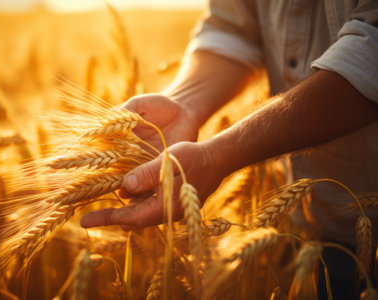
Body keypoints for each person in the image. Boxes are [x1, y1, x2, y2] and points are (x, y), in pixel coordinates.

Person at [81, 0, 378, 298]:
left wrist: (217, 155)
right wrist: (184, 104)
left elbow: (370, 53)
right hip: (320, 231)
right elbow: (233, 27)